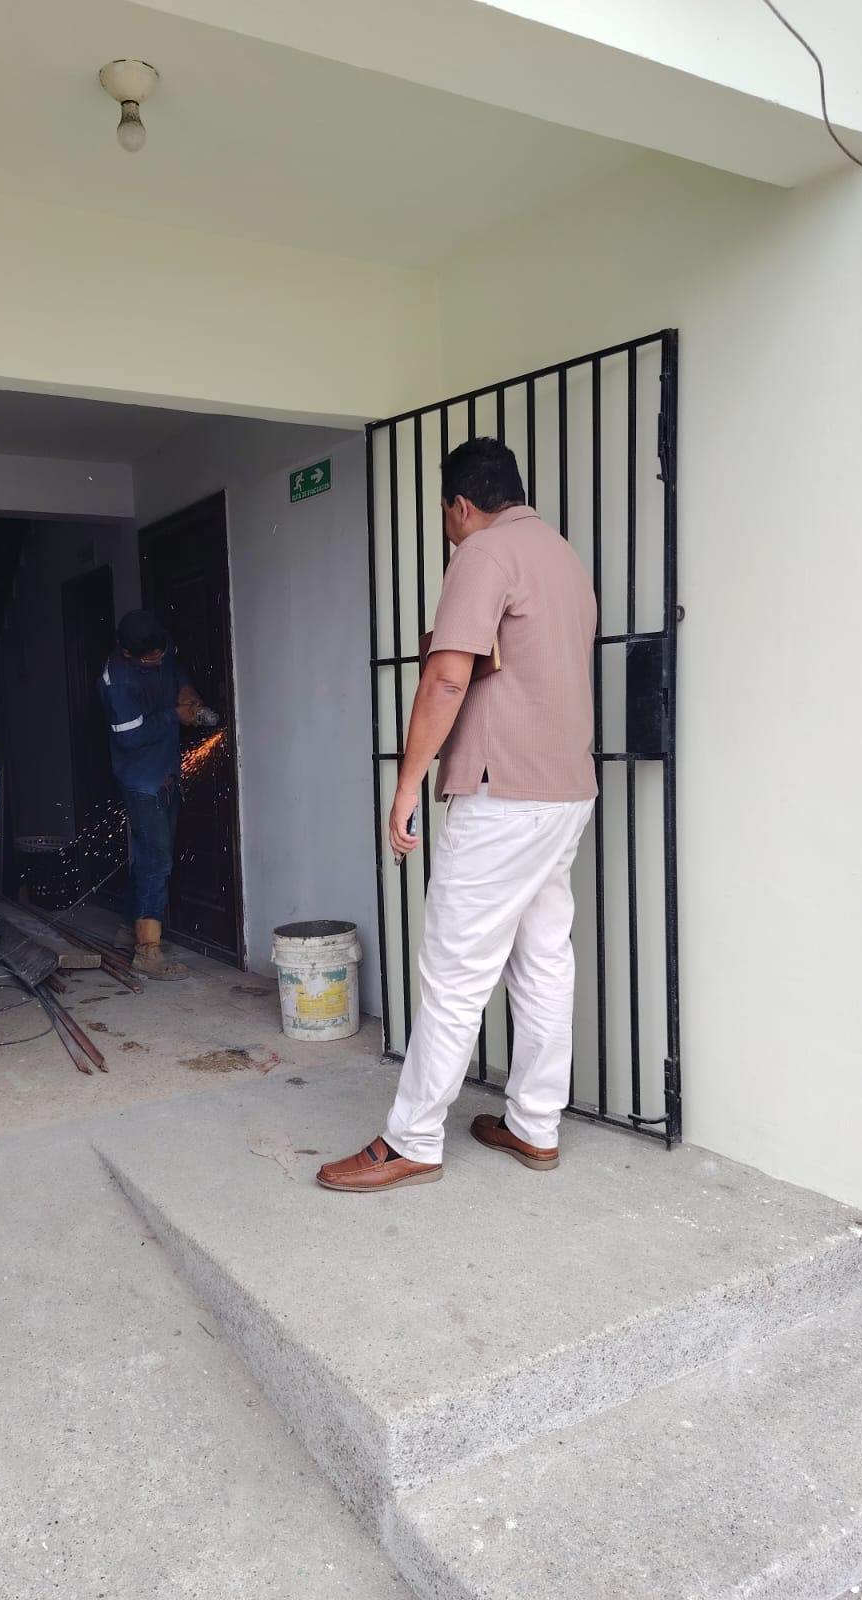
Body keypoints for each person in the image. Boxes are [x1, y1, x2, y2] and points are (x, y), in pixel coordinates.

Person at [318, 438, 597, 1193]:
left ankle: (412, 1138)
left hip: (503, 798)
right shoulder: (563, 558)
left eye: (446, 515)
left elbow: (447, 677)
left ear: (462, 505)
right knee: (544, 960)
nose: (448, 529)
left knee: (453, 969)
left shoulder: (482, 553)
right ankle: (535, 1125)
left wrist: (408, 784)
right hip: (565, 791)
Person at [98, 609, 206, 980]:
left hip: (166, 772)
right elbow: (128, 737)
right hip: (141, 780)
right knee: (157, 859)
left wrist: (187, 692)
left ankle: (128, 928)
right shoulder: (117, 679)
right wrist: (174, 715)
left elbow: (174, 668)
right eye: (150, 660)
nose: (158, 660)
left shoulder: (160, 645)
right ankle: (147, 951)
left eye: (161, 654)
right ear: (128, 653)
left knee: (150, 854)